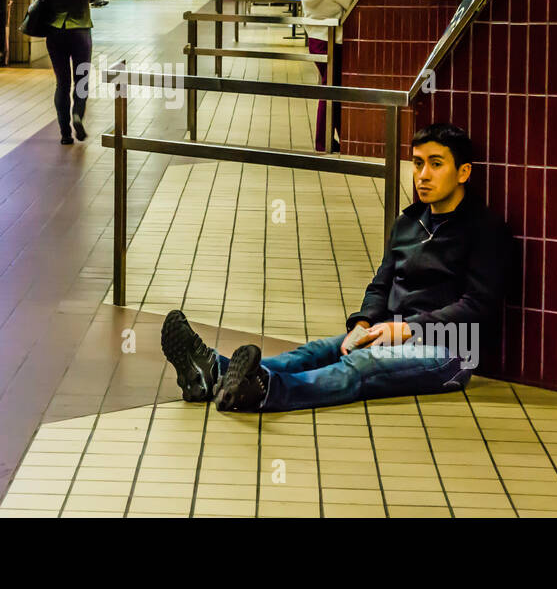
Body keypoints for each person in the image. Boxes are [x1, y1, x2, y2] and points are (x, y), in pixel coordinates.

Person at [160, 123, 514, 412]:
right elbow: (381, 283)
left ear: (463, 171)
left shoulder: (484, 229)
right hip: (385, 330)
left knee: (361, 366)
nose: (422, 175)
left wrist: (406, 329)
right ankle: (214, 371)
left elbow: (477, 306)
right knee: (315, 352)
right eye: (418, 163)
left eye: (436, 164)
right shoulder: (408, 223)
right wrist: (362, 323)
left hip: (449, 350)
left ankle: (265, 390)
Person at [42, 0, 100, 145]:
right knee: (82, 79)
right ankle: (78, 114)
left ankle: (65, 132)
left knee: (62, 83)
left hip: (55, 32)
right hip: (81, 32)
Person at [297, 0, 356, 152]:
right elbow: (353, 5)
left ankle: (338, 136)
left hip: (314, 42)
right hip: (334, 43)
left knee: (330, 87)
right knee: (330, 89)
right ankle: (323, 142)